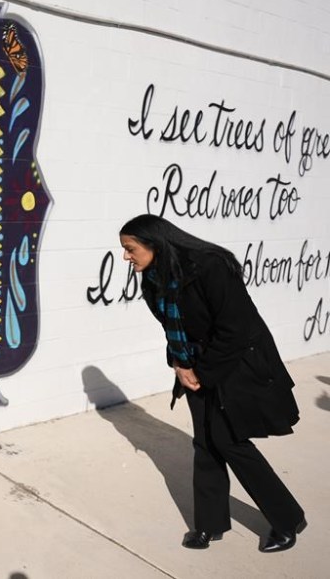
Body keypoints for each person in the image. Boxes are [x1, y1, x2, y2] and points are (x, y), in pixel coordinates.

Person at [119, 214, 305, 553]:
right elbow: (172, 328)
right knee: (206, 441)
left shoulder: (210, 266)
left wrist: (200, 372)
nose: (126, 257)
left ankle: (287, 517)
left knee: (229, 441)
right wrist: (179, 365)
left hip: (235, 361)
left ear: (154, 244)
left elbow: (237, 328)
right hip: (193, 364)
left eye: (130, 249)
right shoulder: (153, 279)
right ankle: (210, 524)